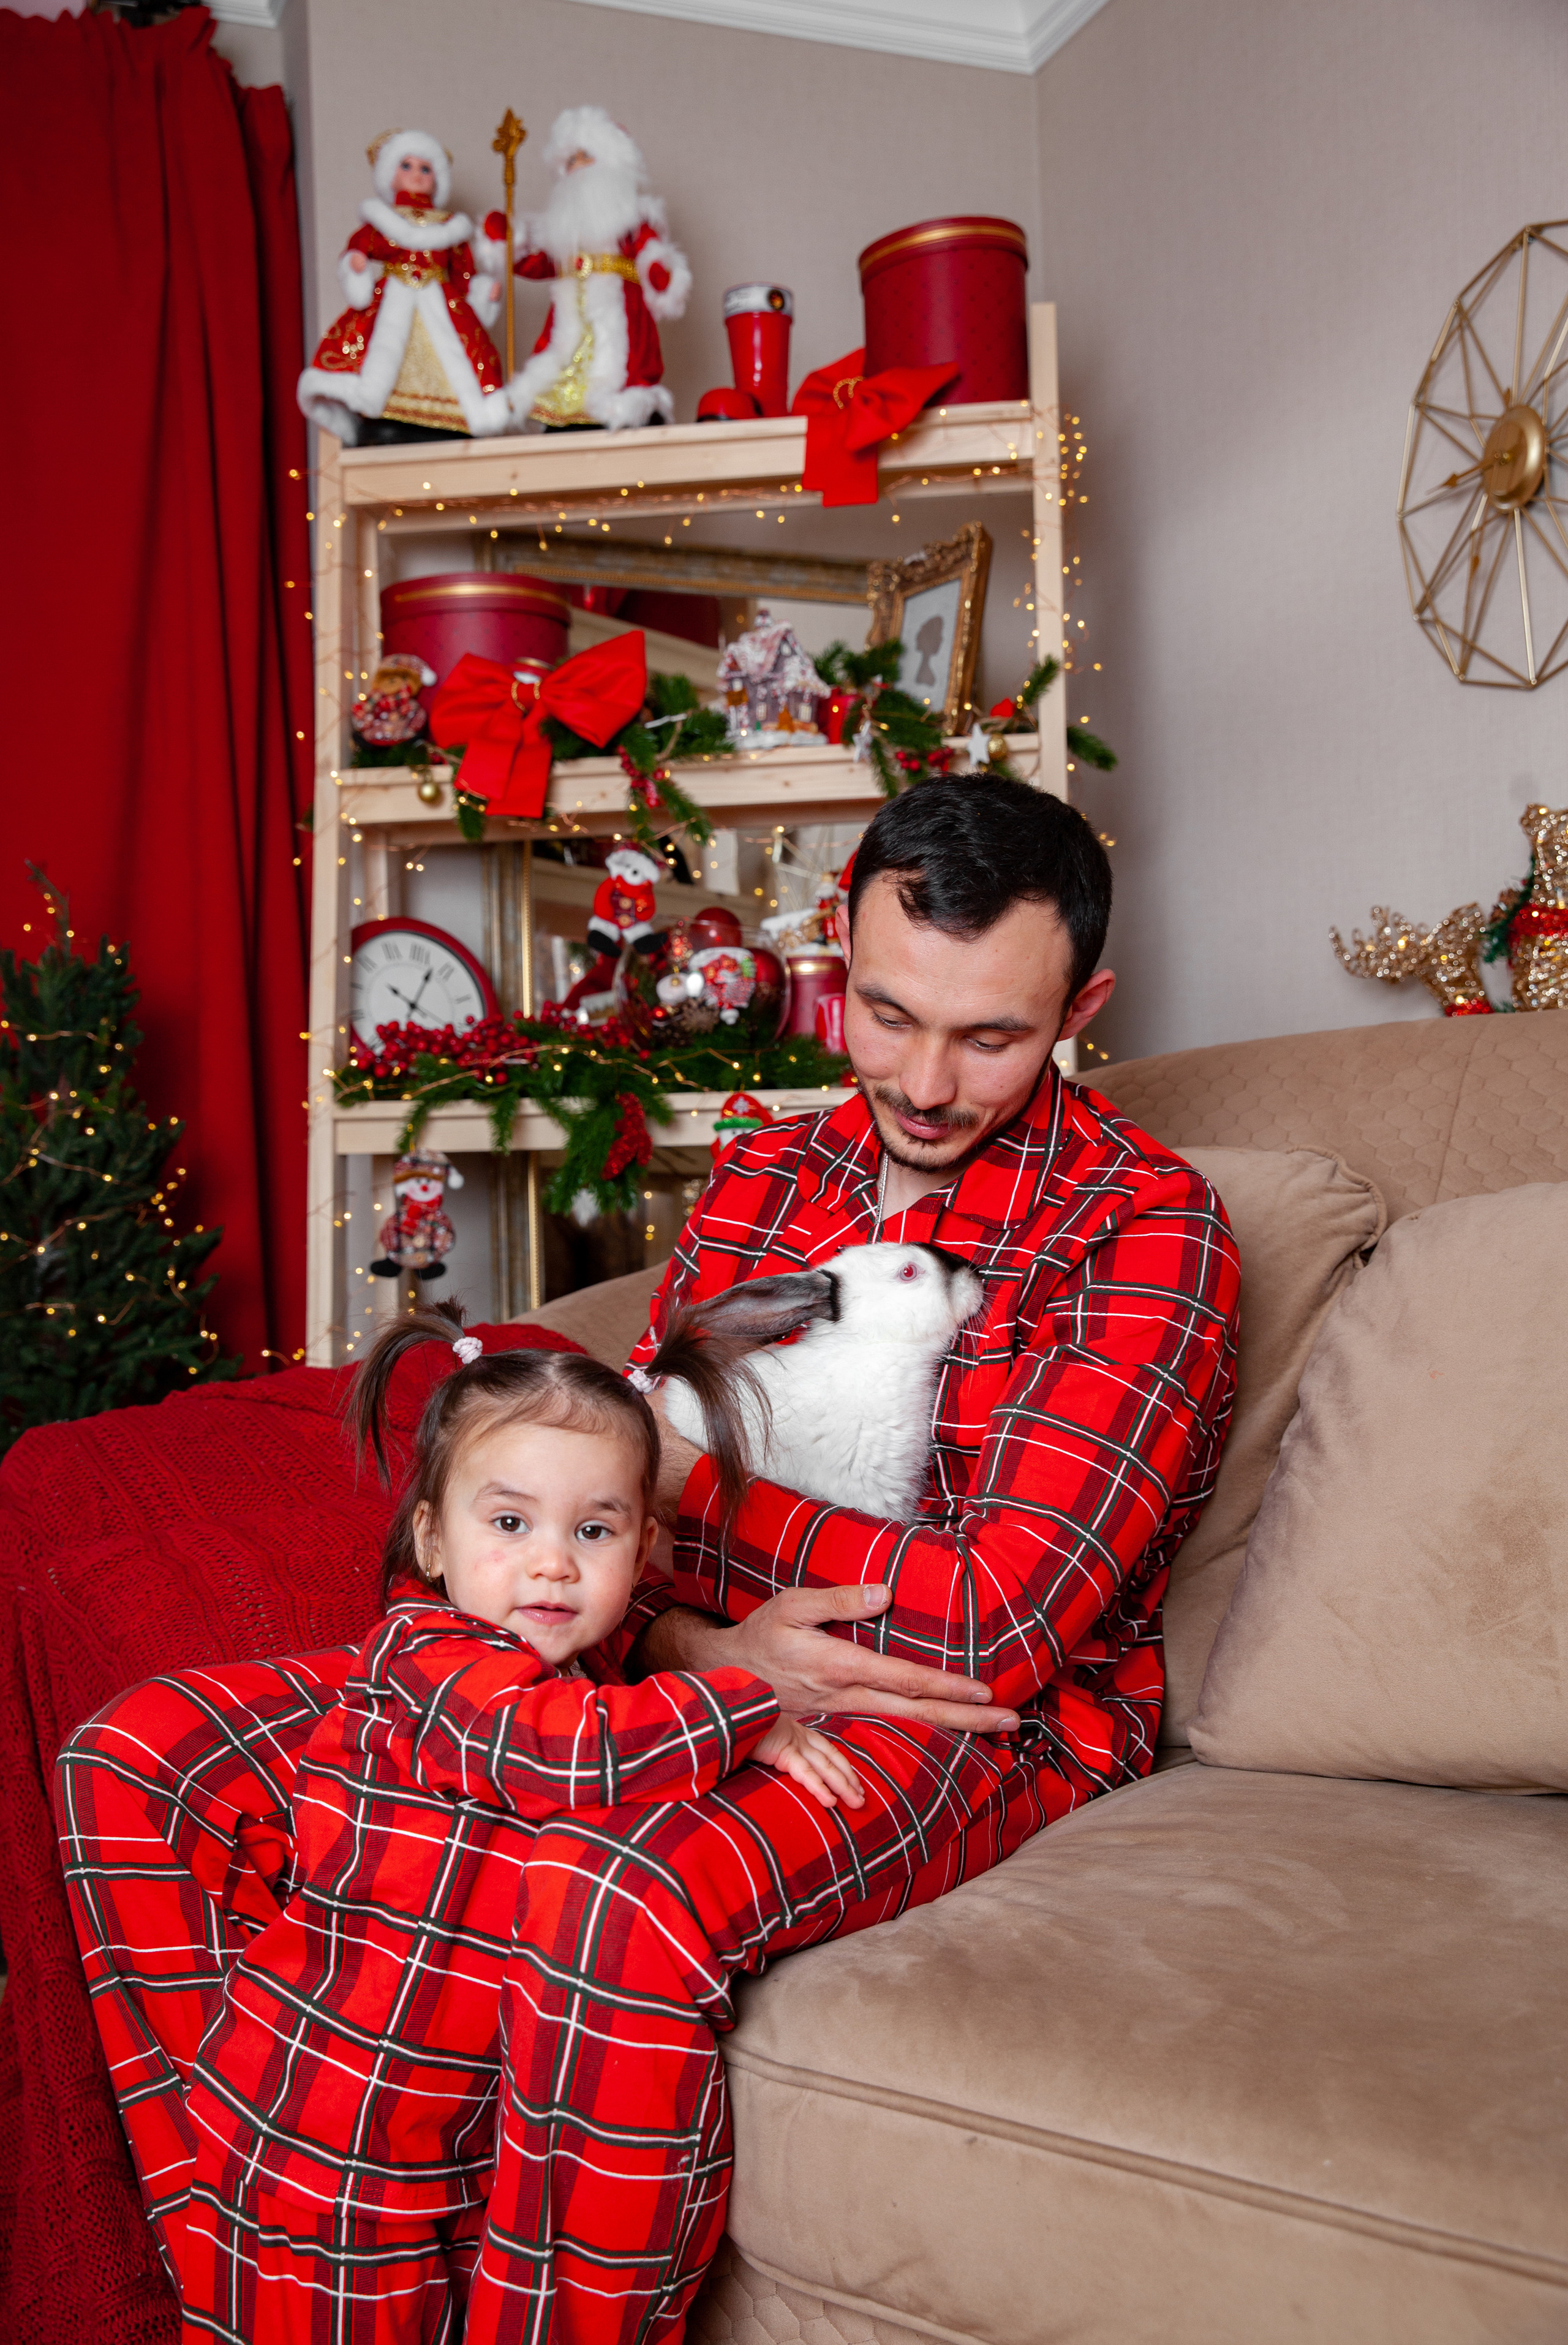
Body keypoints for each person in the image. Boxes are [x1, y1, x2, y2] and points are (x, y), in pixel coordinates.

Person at [57, 773, 1240, 2345]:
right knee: (138, 1759)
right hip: (671, 1648)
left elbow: (990, 1616)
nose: (928, 1080)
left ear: (1080, 1003)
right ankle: (262, 2282)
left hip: (962, 1720)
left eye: (992, 1036)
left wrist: (682, 1495)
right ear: (838, 945)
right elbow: (612, 1502)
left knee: (609, 1888)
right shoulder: (759, 1178)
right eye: (886, 1015)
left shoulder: (1146, 1228)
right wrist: (697, 1640)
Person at [159, 1320, 854, 2341]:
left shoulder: (587, 1671)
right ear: (434, 1539)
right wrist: (744, 1709)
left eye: (594, 1530)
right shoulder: (433, 1658)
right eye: (512, 1523)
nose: (554, 1566)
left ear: (643, 1549)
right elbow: (553, 1748)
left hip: (428, 2141)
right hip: (323, 2137)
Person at [296, 128, 511, 446]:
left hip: (441, 301)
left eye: (425, 168)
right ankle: (385, 415)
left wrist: (484, 292)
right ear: (390, 175)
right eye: (407, 166)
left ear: (437, 178)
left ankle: (448, 420)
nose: (416, 175)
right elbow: (360, 249)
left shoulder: (449, 228)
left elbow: (465, 272)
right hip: (394, 297)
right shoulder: (383, 220)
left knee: (455, 355)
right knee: (381, 353)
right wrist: (355, 266)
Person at [486, 106, 692, 431]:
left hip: (621, 310)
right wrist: (507, 240)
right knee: (563, 358)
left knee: (622, 361)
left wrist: (659, 273)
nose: (577, 168)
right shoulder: (563, 229)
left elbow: (652, 252)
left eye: (585, 157)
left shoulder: (634, 215)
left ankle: (622, 404)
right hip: (572, 313)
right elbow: (537, 262)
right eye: (570, 162)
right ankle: (568, 413)